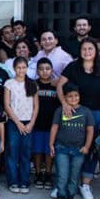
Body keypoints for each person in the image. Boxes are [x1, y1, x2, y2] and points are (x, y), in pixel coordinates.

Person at [56, 38, 100, 199]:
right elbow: (60, 85)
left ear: (96, 51)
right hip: (76, 113)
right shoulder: (73, 67)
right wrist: (64, 104)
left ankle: (85, 184)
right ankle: (66, 184)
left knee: (91, 150)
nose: (87, 52)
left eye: (90, 49)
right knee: (72, 147)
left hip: (97, 114)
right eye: (84, 49)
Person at [49, 83, 94, 199]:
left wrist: (87, 146)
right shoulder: (60, 110)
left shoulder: (86, 111)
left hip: (79, 150)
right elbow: (54, 127)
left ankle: (70, 198)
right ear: (64, 97)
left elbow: (90, 130)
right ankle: (61, 198)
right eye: (70, 96)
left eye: (76, 95)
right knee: (62, 175)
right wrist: (51, 144)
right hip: (61, 148)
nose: (73, 98)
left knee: (74, 175)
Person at [4, 57, 39, 194]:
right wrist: (17, 122)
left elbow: (36, 106)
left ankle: (24, 181)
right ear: (14, 68)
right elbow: (7, 105)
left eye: (24, 67)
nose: (21, 70)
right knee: (12, 152)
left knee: (26, 153)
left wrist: (31, 123)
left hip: (28, 122)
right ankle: (13, 181)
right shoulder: (9, 84)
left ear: (27, 68)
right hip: (14, 123)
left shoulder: (32, 84)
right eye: (18, 68)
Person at [33, 58, 58, 190]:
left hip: (51, 125)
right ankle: (38, 174)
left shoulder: (56, 86)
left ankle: (48, 174)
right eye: (41, 69)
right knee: (37, 150)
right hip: (37, 124)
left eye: (47, 69)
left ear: (52, 70)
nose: (44, 71)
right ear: (37, 71)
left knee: (49, 151)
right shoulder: (33, 85)